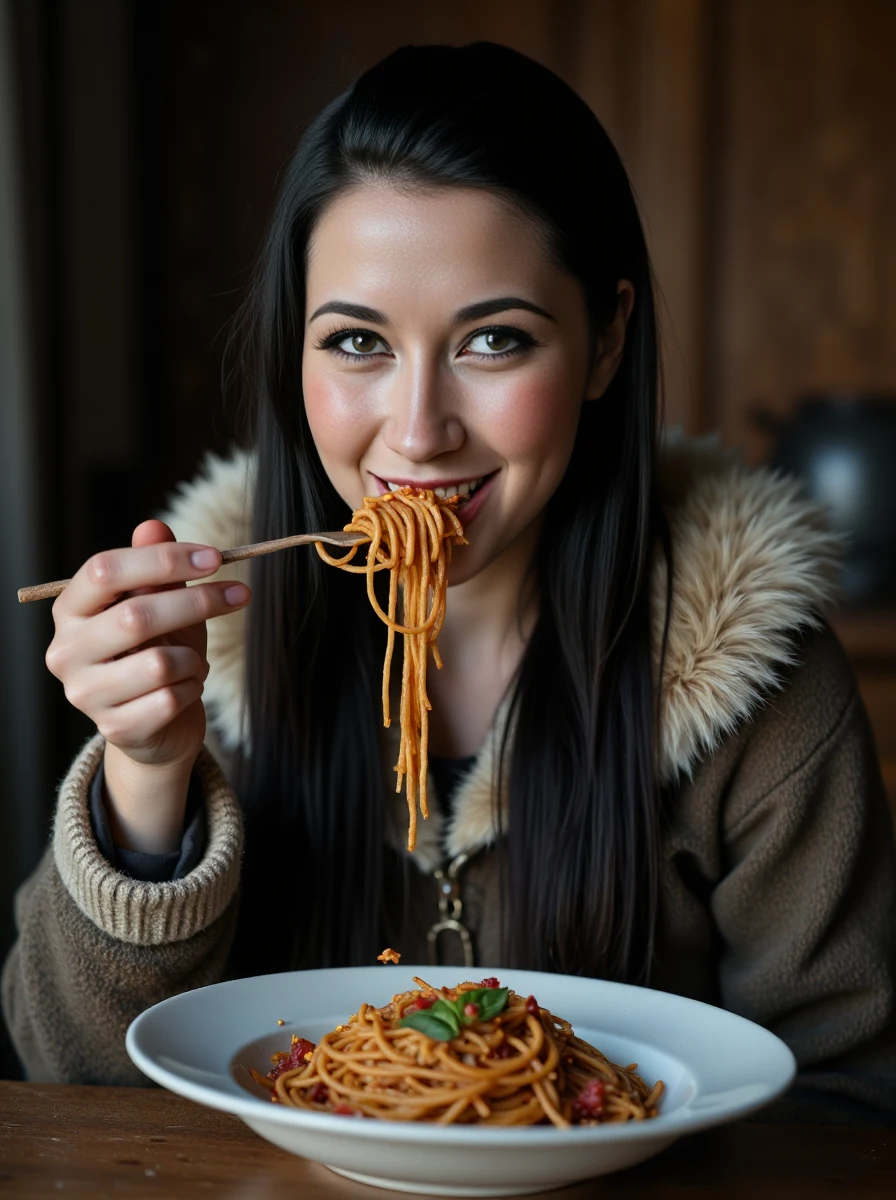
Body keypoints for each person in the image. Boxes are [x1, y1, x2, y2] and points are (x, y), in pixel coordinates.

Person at [3, 42, 895, 1122]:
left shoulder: (759, 681)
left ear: (606, 341)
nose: (418, 433)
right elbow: (75, 1084)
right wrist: (147, 773)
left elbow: (852, 1100)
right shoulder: (213, 654)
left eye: (493, 339)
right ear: (297, 352)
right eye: (356, 343)